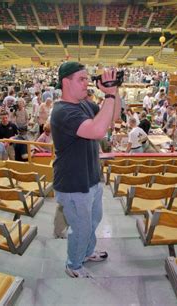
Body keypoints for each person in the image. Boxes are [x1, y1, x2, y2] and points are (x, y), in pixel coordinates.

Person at [50, 62, 120, 278]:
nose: (86, 83)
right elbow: (98, 130)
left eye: (87, 79)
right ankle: (73, 264)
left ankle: (87, 252)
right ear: (65, 82)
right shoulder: (62, 112)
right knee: (80, 228)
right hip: (73, 185)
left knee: (92, 221)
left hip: (91, 178)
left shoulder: (84, 104)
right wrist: (108, 96)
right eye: (81, 79)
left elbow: (113, 117)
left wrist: (114, 91)